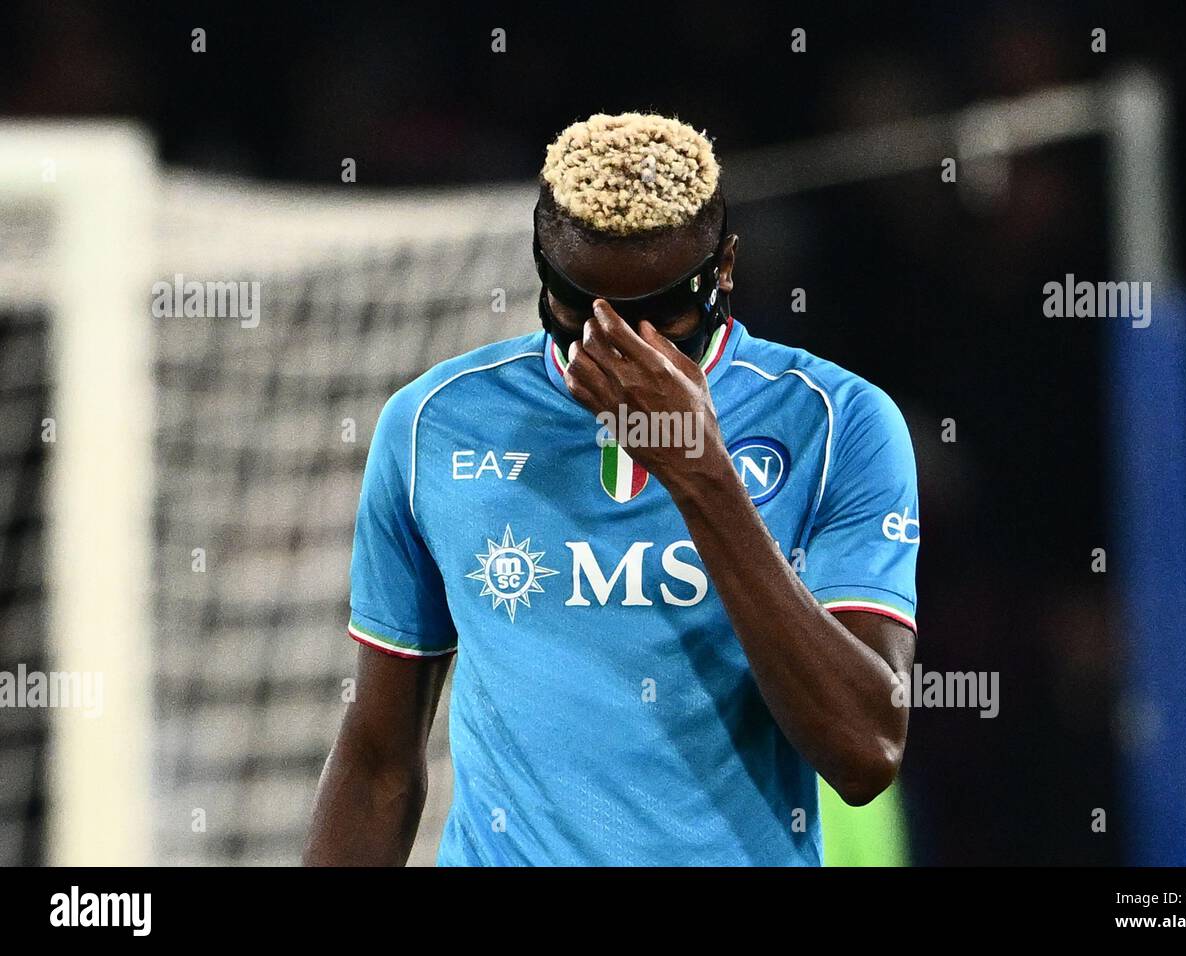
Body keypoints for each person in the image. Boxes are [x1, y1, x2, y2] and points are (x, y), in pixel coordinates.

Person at [304, 112, 920, 865]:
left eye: (661, 315)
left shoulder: (836, 423)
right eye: (581, 311)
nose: (620, 348)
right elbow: (377, 762)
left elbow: (867, 751)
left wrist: (703, 476)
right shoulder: (435, 425)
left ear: (724, 268)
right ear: (541, 268)